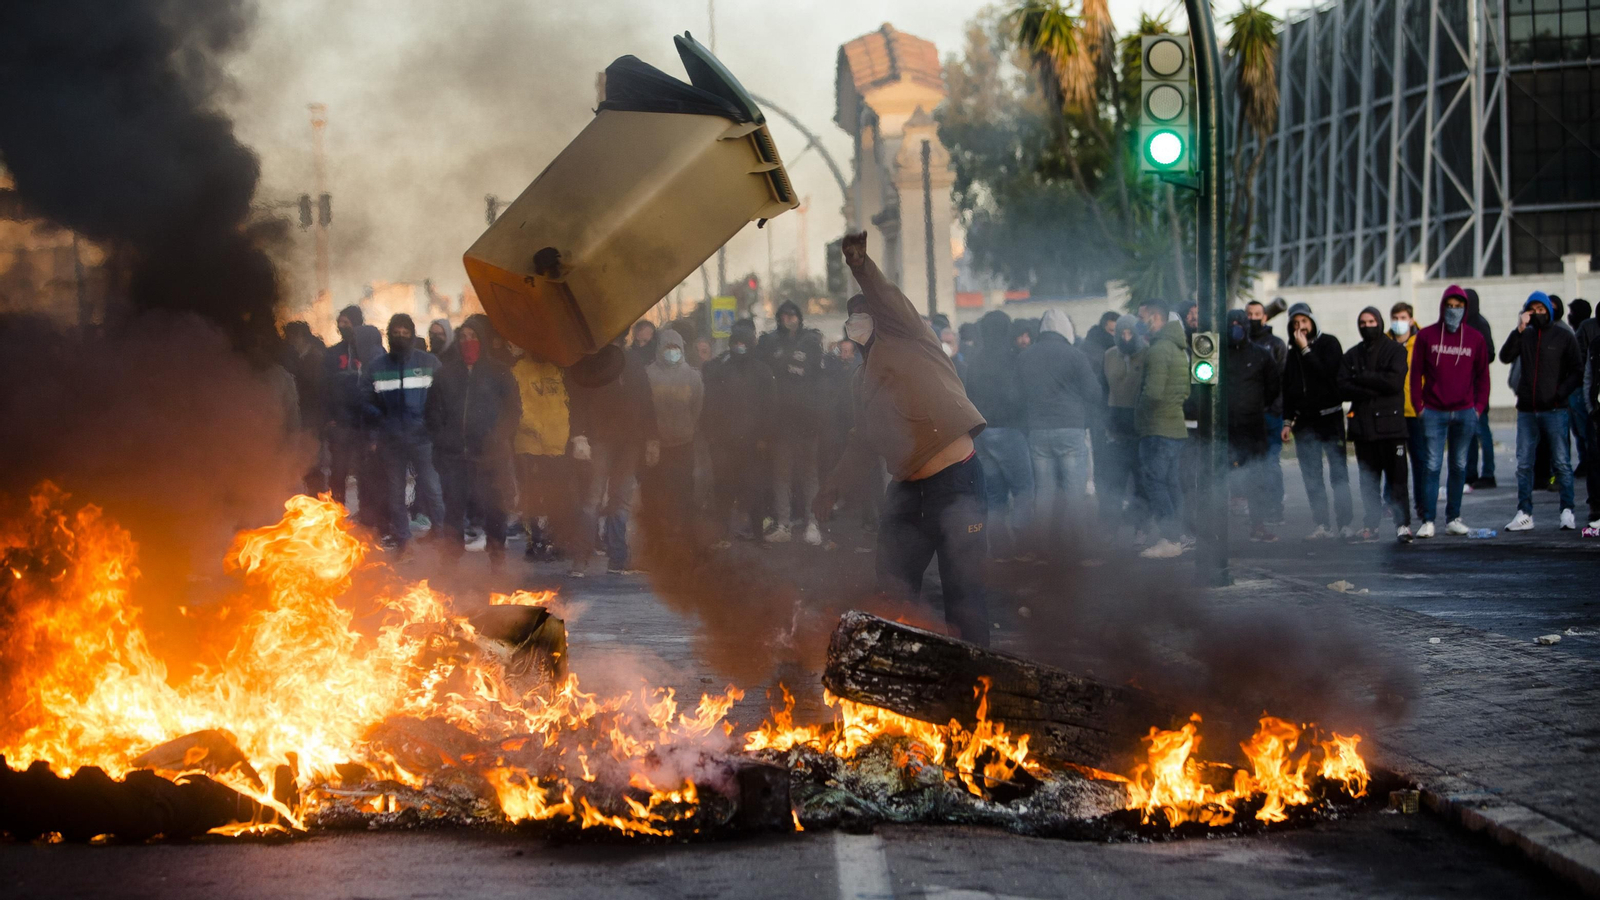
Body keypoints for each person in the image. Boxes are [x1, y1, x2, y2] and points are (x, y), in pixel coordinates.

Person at [814, 233, 989, 645]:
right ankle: (901, 671)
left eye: (864, 312)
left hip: (956, 482)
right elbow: (861, 441)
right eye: (851, 316)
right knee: (892, 586)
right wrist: (831, 488)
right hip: (909, 490)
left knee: (963, 590)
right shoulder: (860, 379)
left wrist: (860, 265)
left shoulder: (910, 335)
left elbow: (885, 296)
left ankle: (976, 683)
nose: (857, 320)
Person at [426, 317, 520, 566]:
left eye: (473, 336)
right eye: (464, 337)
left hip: (490, 455)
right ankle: (451, 560)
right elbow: (433, 411)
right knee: (454, 509)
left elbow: (513, 411)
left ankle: (497, 558)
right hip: (454, 456)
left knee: (494, 508)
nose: (468, 341)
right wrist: (442, 438)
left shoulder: (499, 372)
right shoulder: (446, 373)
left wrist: (498, 437)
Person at [568, 334, 656, 575]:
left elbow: (646, 401)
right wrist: (579, 435)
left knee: (613, 500)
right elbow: (578, 401)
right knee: (597, 499)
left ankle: (614, 558)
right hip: (601, 440)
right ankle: (586, 557)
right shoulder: (596, 362)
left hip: (627, 442)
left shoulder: (633, 363)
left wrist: (651, 438)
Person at [1409, 285, 1491, 537]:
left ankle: (1453, 518)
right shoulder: (1427, 336)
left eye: (1458, 306)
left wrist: (1478, 408)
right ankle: (1428, 520)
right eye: (1450, 305)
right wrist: (1419, 406)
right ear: (1442, 306)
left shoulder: (1476, 338)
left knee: (1458, 466)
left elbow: (1483, 377)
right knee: (1431, 465)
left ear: (1465, 309)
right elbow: (1416, 373)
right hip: (1434, 411)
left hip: (1465, 412)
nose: (1454, 310)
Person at [362, 314, 446, 551]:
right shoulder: (376, 367)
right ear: (389, 336)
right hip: (391, 440)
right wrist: (381, 420)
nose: (400, 337)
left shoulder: (428, 363)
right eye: (396, 333)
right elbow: (365, 398)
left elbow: (443, 398)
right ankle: (403, 540)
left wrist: (434, 427)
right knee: (395, 492)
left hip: (423, 438)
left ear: (412, 333)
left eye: (405, 332)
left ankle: (441, 536)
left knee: (433, 488)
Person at [1499, 291, 1581, 531]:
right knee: (1524, 463)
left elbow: (1577, 369)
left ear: (1550, 311)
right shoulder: (1525, 336)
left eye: (1541, 309)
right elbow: (1505, 356)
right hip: (1526, 410)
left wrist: (1560, 393)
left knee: (1562, 462)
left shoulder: (1563, 336)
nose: (1537, 314)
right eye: (1532, 310)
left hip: (1555, 409)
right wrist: (1519, 329)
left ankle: (1567, 510)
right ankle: (1524, 512)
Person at [1019, 309, 1098, 553]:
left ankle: (1042, 550)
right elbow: (1094, 393)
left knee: (1043, 493)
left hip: (1038, 431)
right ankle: (1079, 549)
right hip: (1071, 429)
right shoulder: (1075, 355)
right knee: (1074, 492)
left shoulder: (1025, 356)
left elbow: (1016, 394)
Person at [1338, 307, 1413, 542]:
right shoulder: (1352, 354)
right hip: (1363, 428)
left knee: (1398, 479)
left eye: (1371, 321)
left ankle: (1403, 525)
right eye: (1363, 322)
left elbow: (1394, 383)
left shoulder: (1395, 351)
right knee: (1368, 481)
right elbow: (1341, 386)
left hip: (1392, 428)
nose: (1367, 325)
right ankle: (1371, 524)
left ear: (1379, 323)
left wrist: (1361, 378)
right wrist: (1374, 382)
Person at [964, 310, 1034, 560]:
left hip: (982, 432)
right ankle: (1023, 542)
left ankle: (999, 547)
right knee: (1023, 488)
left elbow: (967, 394)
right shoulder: (1013, 359)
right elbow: (1018, 396)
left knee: (994, 494)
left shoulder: (975, 359)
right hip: (1009, 430)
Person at [1282, 302, 1354, 539]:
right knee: (1312, 477)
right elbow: (1289, 388)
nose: (1300, 327)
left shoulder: (1329, 344)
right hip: (1305, 423)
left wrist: (1306, 350)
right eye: (1295, 323)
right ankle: (1321, 524)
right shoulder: (1292, 354)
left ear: (1312, 322)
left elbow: (1326, 375)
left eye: (1304, 321)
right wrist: (1287, 421)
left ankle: (1345, 523)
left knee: (1338, 474)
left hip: (1330, 418)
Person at [758, 300, 826, 545]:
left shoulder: (810, 343)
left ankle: (813, 524)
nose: (789, 319)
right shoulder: (770, 343)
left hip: (806, 421)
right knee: (781, 475)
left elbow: (820, 382)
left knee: (809, 475)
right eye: (785, 316)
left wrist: (818, 416)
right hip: (781, 423)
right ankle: (784, 525)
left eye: (793, 315)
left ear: (799, 317)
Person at [704, 320, 773, 542]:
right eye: (736, 343)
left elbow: (769, 406)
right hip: (726, 442)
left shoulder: (762, 371)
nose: (739, 347)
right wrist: (713, 436)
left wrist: (764, 437)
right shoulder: (721, 369)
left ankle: (758, 534)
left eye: (744, 343)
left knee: (755, 489)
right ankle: (723, 532)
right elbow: (712, 404)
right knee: (724, 488)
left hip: (753, 442)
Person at [1134, 299, 1191, 558]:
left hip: (1157, 428)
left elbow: (1153, 393)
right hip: (1175, 426)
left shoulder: (1158, 349)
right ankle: (1177, 536)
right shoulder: (1178, 348)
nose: (1139, 322)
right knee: (1170, 483)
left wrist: (1140, 411)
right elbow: (1186, 390)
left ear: (1155, 318)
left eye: (1142, 317)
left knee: (1155, 482)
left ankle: (1169, 538)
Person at [511, 344, 575, 562]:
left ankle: (556, 540)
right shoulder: (519, 370)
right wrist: (537, 429)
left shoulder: (557, 371)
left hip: (557, 446)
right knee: (531, 494)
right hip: (530, 445)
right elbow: (518, 407)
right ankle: (535, 541)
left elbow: (564, 404)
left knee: (557, 494)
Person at [1222, 309, 1282, 542]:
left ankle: (1258, 525)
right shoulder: (1219, 355)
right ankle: (1215, 529)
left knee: (1256, 477)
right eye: (1231, 323)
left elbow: (1273, 388)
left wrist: (1255, 407)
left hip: (1253, 427)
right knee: (1219, 476)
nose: (1235, 327)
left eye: (1239, 323)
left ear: (1247, 326)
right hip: (1225, 428)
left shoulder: (1261, 355)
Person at [642, 329, 704, 532]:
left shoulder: (692, 376)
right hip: (657, 444)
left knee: (684, 486)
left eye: (675, 348)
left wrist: (687, 428)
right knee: (656, 488)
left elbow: (697, 407)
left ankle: (684, 528)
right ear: (660, 349)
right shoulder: (648, 374)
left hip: (683, 442)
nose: (672, 352)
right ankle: (656, 530)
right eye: (668, 347)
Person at [324, 306, 376, 513]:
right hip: (342, 422)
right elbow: (325, 387)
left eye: (346, 322)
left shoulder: (371, 354)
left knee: (365, 472)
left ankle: (366, 513)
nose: (342, 326)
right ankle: (336, 513)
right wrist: (329, 417)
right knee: (338, 471)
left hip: (364, 423)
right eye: (340, 322)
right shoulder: (332, 354)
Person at [1245, 299, 1289, 524]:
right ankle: (1257, 509)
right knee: (1251, 463)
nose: (1253, 318)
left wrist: (1277, 410)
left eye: (1257, 314)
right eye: (1249, 314)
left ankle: (1275, 504)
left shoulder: (1277, 345)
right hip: (1248, 416)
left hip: (1271, 415)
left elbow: (1283, 380)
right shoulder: (1238, 344)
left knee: (1270, 462)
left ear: (1265, 317)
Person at [1102, 314, 1146, 530]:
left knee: (1141, 484)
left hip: (1140, 427)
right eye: (1122, 334)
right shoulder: (1109, 355)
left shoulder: (1147, 353)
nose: (1126, 338)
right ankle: (1112, 529)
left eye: (1130, 333)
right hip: (1117, 426)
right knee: (1115, 483)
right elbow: (1103, 389)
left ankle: (1139, 527)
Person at [1390, 302, 1428, 523]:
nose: (1399, 322)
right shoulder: (1384, 341)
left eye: (1403, 317)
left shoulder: (1422, 341)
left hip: (1417, 413)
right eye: (1395, 317)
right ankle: (1396, 509)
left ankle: (1423, 506)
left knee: (1420, 462)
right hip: (1392, 413)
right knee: (1394, 465)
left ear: (1411, 319)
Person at [1463, 288, 1498, 488]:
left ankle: (1488, 473)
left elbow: (1490, 353)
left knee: (1482, 430)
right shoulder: (1460, 324)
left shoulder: (1480, 324)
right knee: (1468, 432)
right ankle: (1471, 472)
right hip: (1463, 388)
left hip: (1478, 386)